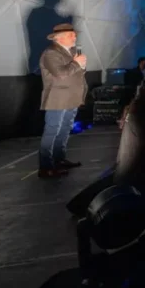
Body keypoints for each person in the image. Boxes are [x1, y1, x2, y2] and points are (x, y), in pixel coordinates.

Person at [38, 23, 87, 179]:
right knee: (52, 130)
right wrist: (77, 63)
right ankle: (45, 167)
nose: (75, 37)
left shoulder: (72, 52)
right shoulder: (50, 53)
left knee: (65, 128)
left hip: (72, 97)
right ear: (59, 38)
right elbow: (60, 74)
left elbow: (77, 73)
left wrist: (80, 65)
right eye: (71, 35)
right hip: (57, 98)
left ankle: (59, 160)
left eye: (74, 34)